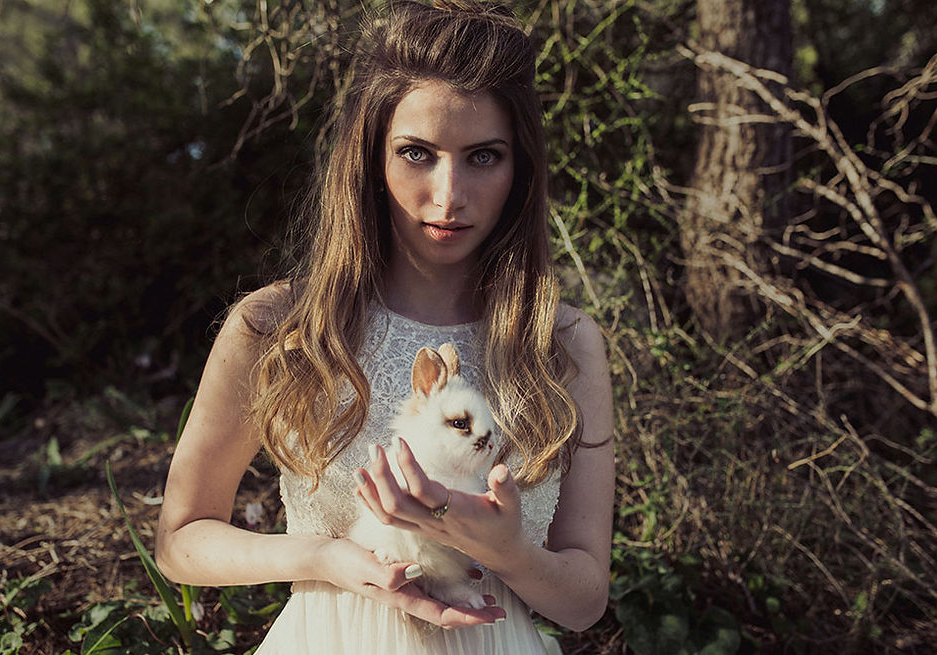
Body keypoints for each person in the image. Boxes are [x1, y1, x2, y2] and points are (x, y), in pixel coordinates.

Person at [155, 1, 615, 653]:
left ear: (520, 168)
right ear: (371, 157)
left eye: (484, 156)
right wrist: (327, 557)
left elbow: (585, 600)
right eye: (417, 153)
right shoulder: (279, 326)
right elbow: (179, 539)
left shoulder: (561, 344)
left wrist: (507, 549)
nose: (449, 194)